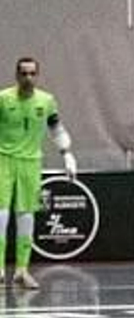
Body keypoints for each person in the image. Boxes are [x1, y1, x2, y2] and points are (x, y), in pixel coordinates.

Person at [0, 57, 76, 290]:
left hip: (31, 163)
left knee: (26, 215)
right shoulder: (3, 99)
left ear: (37, 75)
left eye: (32, 74)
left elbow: (56, 128)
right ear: (17, 75)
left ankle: (22, 271)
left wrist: (67, 154)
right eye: (24, 74)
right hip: (3, 160)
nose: (28, 78)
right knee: (1, 214)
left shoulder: (46, 101)